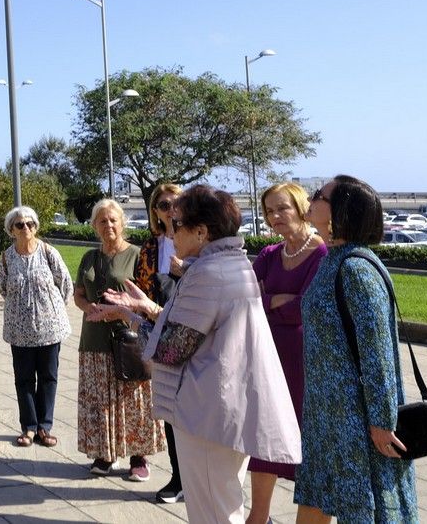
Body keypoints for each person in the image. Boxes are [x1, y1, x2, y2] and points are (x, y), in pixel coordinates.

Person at [99, 185, 300, 524]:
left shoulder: (208, 274)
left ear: (202, 231)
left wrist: (133, 320)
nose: (169, 230)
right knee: (224, 504)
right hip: (221, 408)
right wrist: (139, 312)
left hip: (207, 413)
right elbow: (190, 330)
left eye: (176, 223)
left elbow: (172, 349)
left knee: (213, 513)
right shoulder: (232, 264)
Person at [294, 176, 418, 523]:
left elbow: (377, 353)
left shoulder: (356, 268)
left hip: (354, 419)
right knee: (316, 499)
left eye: (320, 195)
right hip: (326, 414)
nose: (312, 198)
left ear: (341, 212)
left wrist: (381, 421)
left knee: (364, 510)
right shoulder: (332, 259)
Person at [246, 182, 327, 524]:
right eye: (269, 211)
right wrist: (273, 302)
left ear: (300, 207)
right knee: (263, 439)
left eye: (282, 208)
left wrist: (272, 303)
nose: (275, 216)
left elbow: (307, 309)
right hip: (267, 359)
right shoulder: (267, 255)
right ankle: (258, 516)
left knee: (304, 443)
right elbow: (244, 300)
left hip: (305, 365)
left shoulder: (323, 254)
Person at [72, 198, 165, 481]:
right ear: (94, 226)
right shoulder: (90, 257)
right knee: (100, 400)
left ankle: (139, 456)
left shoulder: (137, 255)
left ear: (122, 222)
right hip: (94, 339)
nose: (108, 225)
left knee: (134, 399)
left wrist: (121, 311)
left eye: (113, 219)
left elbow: (148, 297)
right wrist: (88, 307)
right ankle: (105, 453)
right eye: (102, 220)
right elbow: (78, 293)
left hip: (129, 337)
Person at [0, 206, 73, 449]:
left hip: (50, 328)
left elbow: (66, 284)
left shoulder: (49, 252)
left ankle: (44, 426)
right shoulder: (6, 258)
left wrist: (52, 309)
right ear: (11, 230)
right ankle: (29, 427)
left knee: (49, 378)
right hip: (20, 330)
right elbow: (3, 288)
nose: (26, 228)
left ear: (36, 227)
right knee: (24, 379)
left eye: (30, 224)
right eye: (20, 225)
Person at [132, 183, 186, 503]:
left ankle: (198, 477)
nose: (171, 210)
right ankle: (179, 478)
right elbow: (141, 289)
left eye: (176, 203)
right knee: (168, 410)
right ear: (155, 211)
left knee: (193, 411)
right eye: (164, 205)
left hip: (194, 336)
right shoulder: (150, 248)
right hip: (160, 336)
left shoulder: (197, 241)